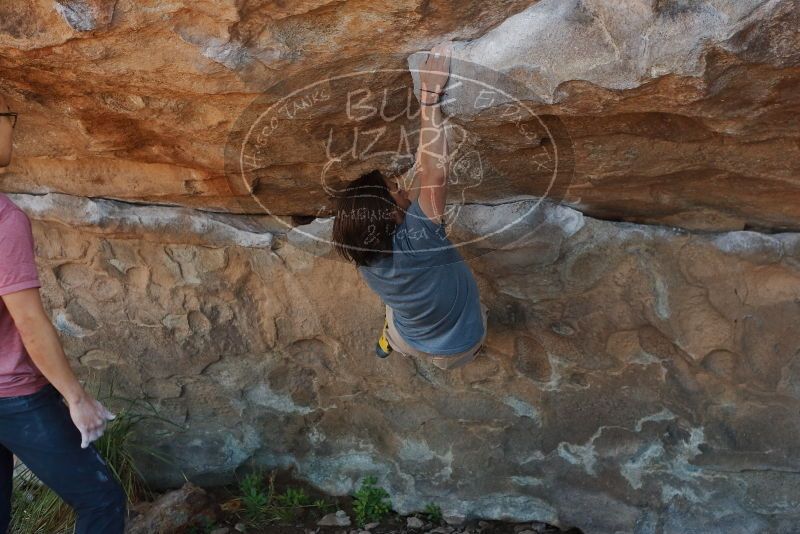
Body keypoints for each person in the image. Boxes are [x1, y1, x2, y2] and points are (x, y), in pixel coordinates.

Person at [0, 94, 126, 533]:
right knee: (102, 502)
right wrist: (77, 398)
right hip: (13, 396)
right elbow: (28, 322)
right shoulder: (4, 219)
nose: (10, 128)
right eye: (4, 118)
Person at [332, 43, 488, 371]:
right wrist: (429, 97)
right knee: (476, 322)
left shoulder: (364, 254)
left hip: (411, 335)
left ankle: (389, 342)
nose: (401, 187)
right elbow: (435, 173)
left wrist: (419, 166)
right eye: (393, 190)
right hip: (459, 347)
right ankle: (393, 340)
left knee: (395, 318)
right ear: (393, 215)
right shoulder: (419, 241)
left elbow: (420, 185)